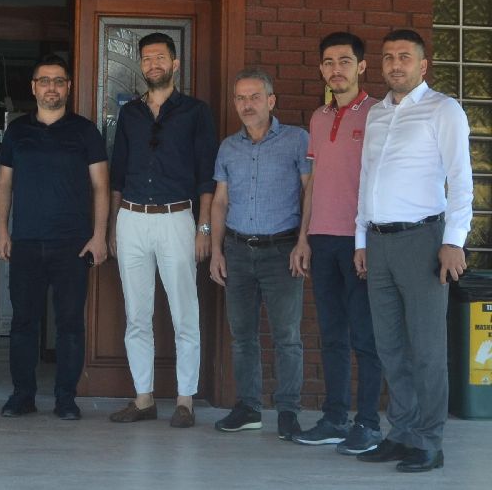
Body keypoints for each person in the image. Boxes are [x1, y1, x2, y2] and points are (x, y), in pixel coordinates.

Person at [354, 29, 472, 473]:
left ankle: (428, 440)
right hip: (379, 242)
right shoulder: (377, 113)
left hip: (423, 241)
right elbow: (366, 180)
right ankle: (401, 432)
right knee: (390, 346)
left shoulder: (444, 109)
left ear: (423, 65)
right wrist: (361, 240)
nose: (395, 64)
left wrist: (453, 241)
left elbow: (461, 179)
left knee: (426, 349)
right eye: (388, 57)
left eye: (404, 56)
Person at [107, 32, 216, 428]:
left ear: (175, 63)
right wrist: (112, 227)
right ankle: (144, 399)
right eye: (147, 59)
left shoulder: (196, 112)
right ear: (141, 65)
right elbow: (118, 173)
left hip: (177, 218)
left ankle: (185, 401)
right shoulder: (131, 114)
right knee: (137, 315)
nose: (153, 64)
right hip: (131, 218)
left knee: (184, 313)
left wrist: (204, 227)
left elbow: (207, 175)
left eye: (160, 58)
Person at [0, 55, 108, 420]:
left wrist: (99, 236)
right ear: (34, 87)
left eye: (59, 81)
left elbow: (101, 186)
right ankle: (22, 396)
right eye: (44, 81)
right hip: (25, 241)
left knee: (70, 324)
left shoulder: (85, 131)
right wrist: (2, 230)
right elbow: (4, 184)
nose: (51, 87)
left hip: (72, 243)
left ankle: (65, 398)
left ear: (68, 87)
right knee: (23, 324)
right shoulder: (17, 131)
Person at [289, 32, 383, 454]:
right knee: (331, 336)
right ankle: (335, 418)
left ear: (361, 66)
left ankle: (368, 424)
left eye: (344, 61)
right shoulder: (318, 117)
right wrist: (303, 238)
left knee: (365, 336)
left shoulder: (379, 114)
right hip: (322, 239)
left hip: (360, 242)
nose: (335, 69)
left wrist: (368, 241)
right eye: (328, 62)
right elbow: (312, 183)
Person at [208, 68, 309, 440]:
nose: (246, 105)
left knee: (287, 336)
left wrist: (304, 241)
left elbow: (310, 193)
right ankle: (249, 408)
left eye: (254, 97)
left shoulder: (297, 140)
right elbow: (220, 202)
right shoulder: (228, 147)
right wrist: (216, 250)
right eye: (240, 98)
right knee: (242, 336)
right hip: (237, 250)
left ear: (271, 100)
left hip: (282, 250)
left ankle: (288, 412)